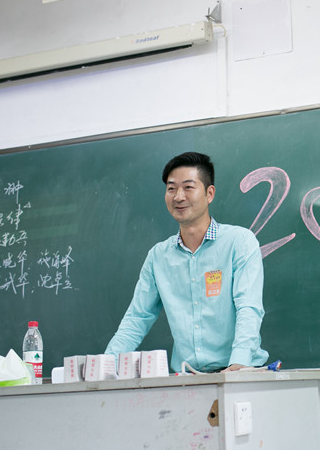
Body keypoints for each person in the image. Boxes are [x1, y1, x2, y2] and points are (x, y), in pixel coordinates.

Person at [105, 152, 268, 372]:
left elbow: (248, 306)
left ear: (209, 194)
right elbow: (137, 318)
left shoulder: (239, 242)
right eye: (171, 189)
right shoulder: (158, 256)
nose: (178, 197)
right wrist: (105, 366)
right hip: (187, 378)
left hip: (239, 372)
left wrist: (239, 362)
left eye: (188, 187)